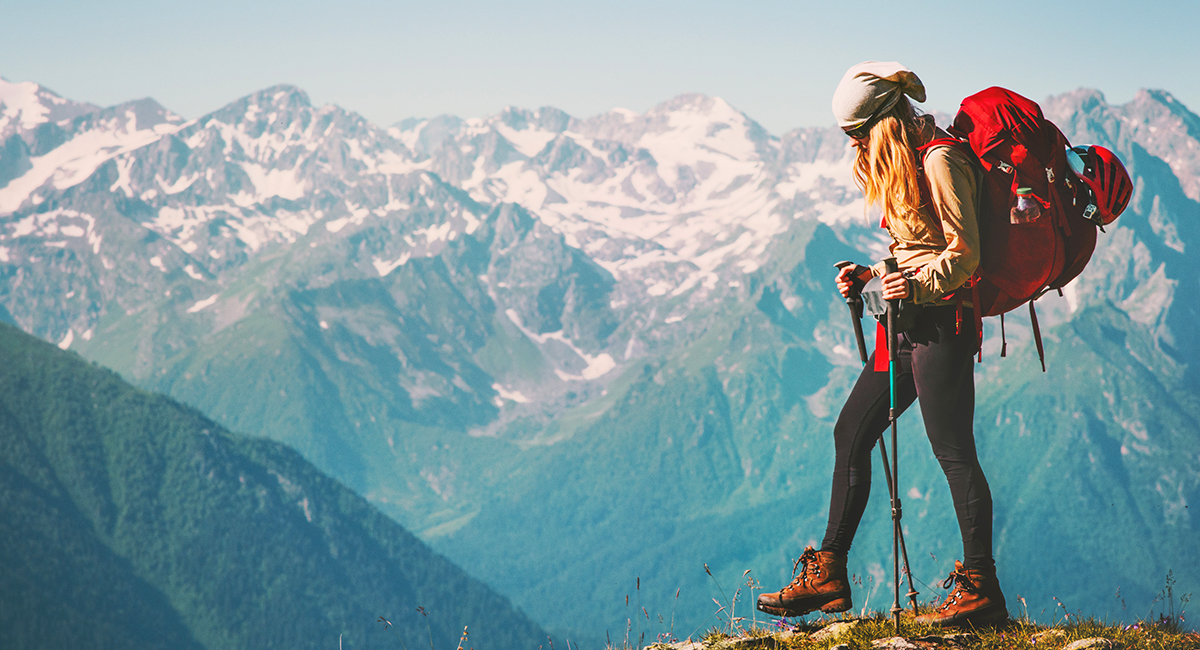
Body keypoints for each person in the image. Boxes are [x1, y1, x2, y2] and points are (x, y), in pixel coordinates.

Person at [756, 62, 1007, 628]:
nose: (854, 147)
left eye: (858, 135)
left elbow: (966, 256)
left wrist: (910, 284)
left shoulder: (940, 160)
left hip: (943, 325)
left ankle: (981, 589)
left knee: (953, 451)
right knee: (851, 431)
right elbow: (920, 245)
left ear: (883, 124)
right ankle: (829, 573)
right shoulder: (907, 162)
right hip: (904, 321)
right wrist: (872, 273)